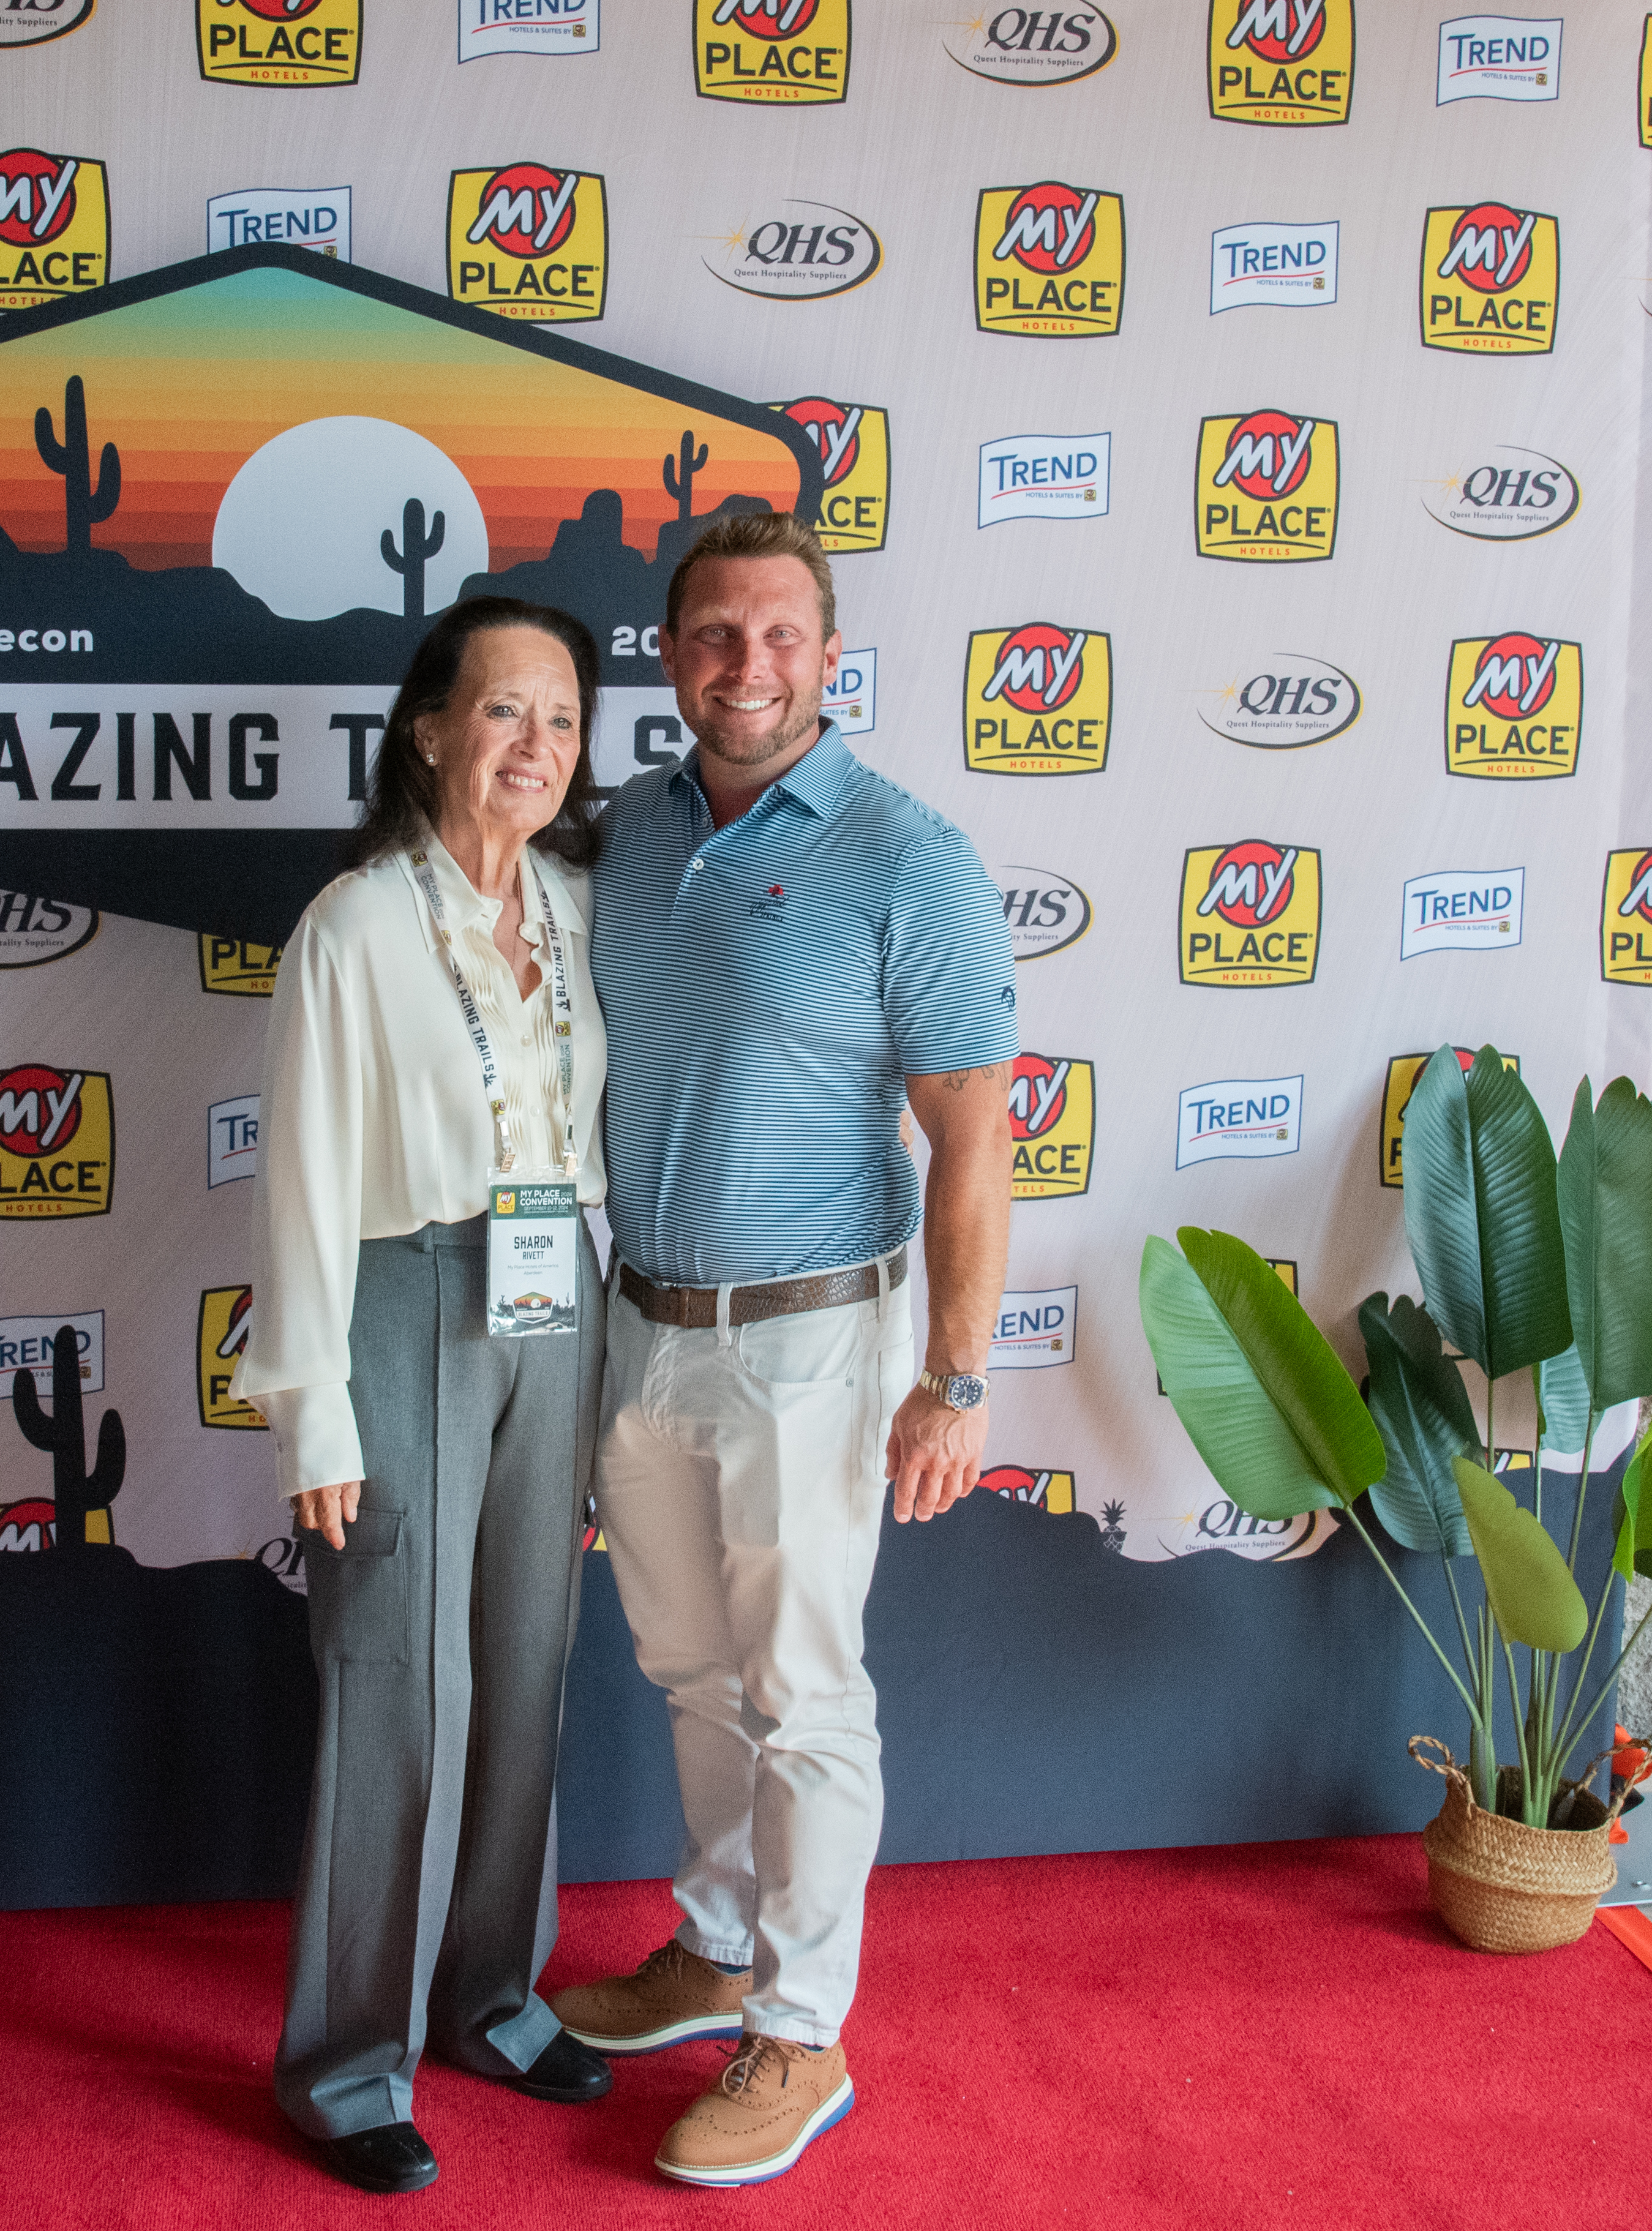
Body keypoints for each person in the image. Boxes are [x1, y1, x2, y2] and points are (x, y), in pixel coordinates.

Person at [550, 511, 1015, 2188]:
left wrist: (955, 1379)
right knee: (691, 1670)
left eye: (779, 635)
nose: (746, 666)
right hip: (644, 1323)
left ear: (827, 654)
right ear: (670, 655)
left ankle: (804, 2031)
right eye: (713, 635)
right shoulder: (626, 831)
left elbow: (975, 1136)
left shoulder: (910, 856)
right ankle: (717, 1949)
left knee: (804, 1695)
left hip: (816, 1339)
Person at [235, 596, 615, 2196]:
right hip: (403, 1293)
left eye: (564, 718)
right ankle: (345, 2064)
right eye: (506, 709)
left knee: (526, 1660)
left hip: (555, 1295)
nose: (537, 744)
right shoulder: (355, 926)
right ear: (430, 729)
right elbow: (302, 1183)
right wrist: (311, 1406)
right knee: (399, 1674)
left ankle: (492, 1997)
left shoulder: (582, 909)